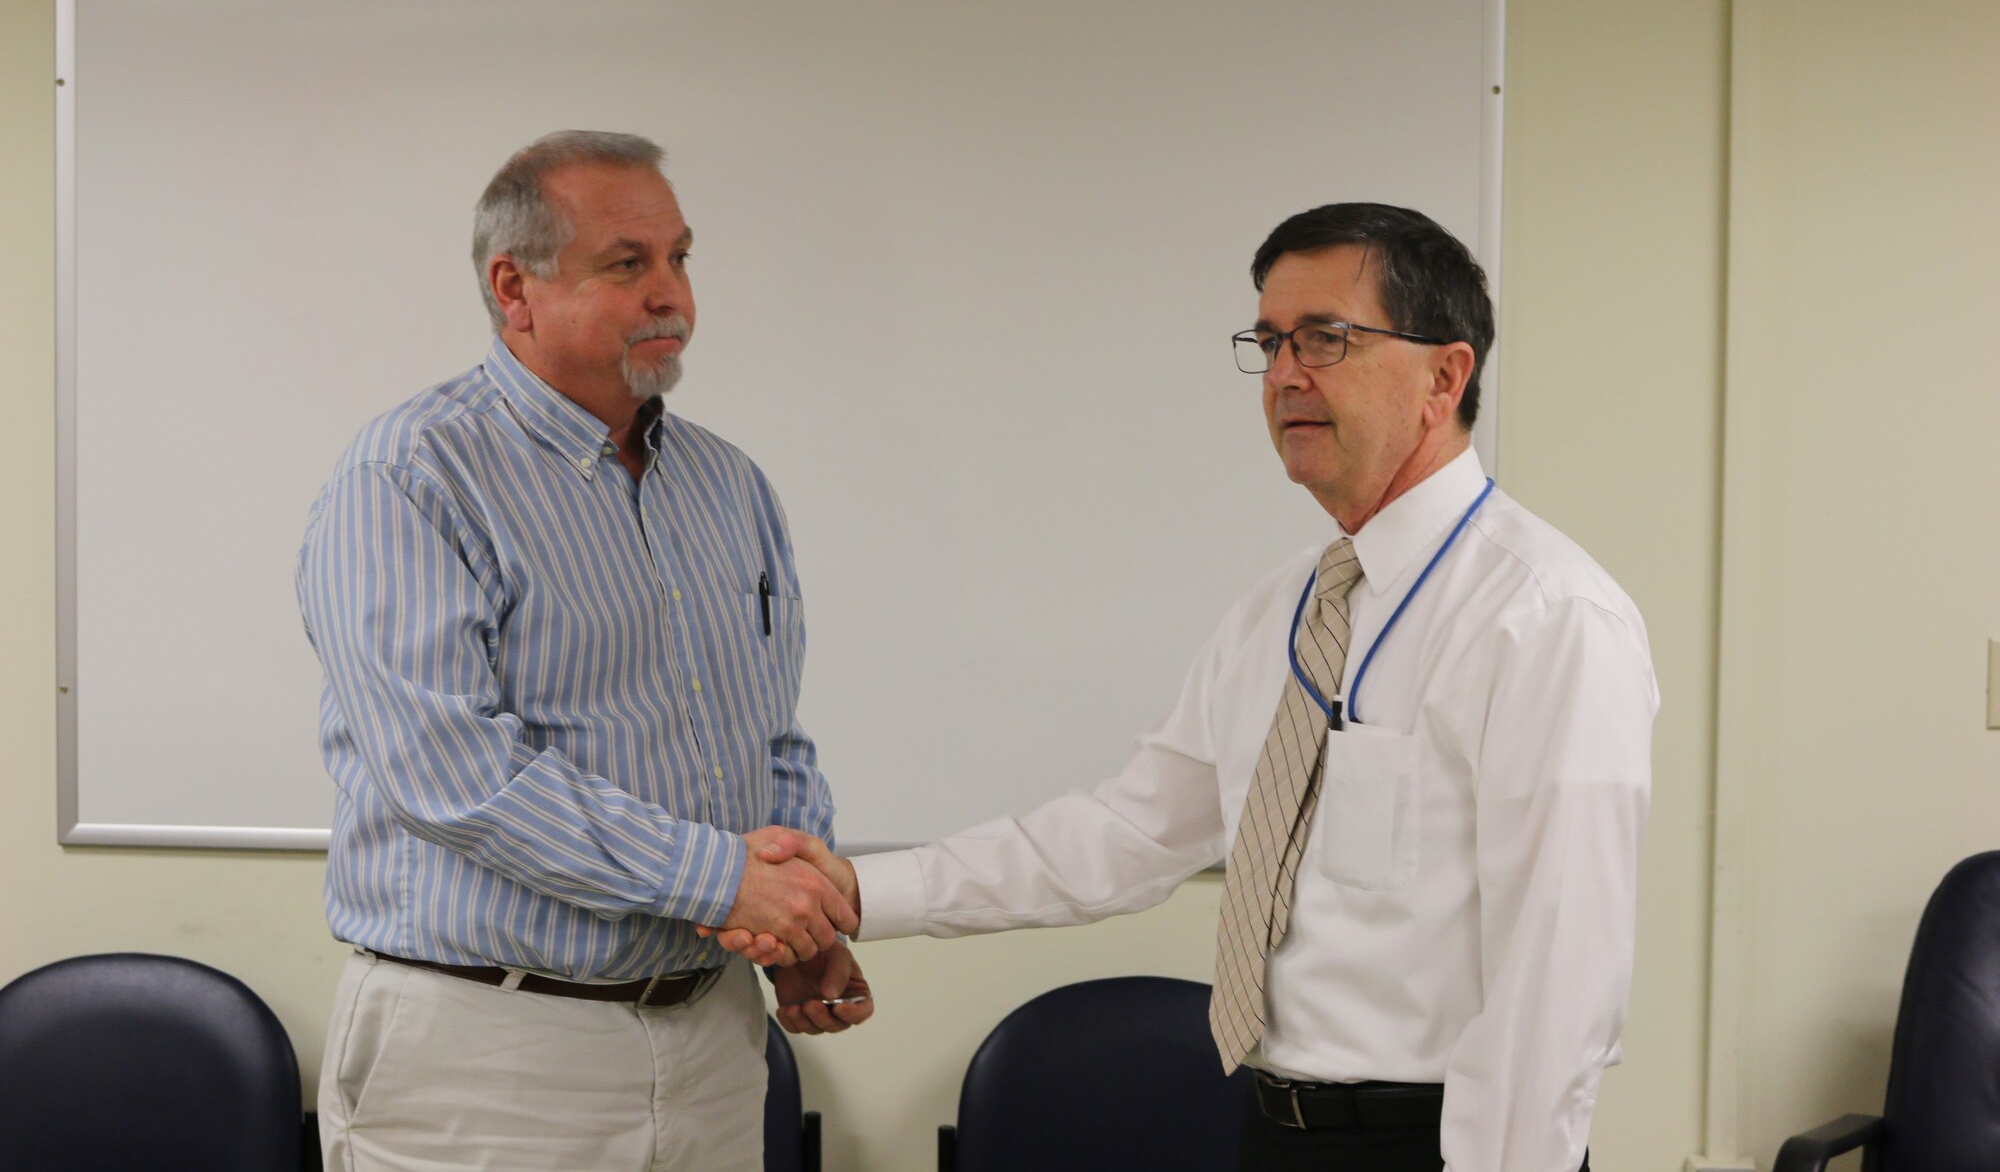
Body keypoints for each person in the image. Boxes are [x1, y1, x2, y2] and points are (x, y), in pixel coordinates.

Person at [716, 203, 1656, 1171]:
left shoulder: (1544, 616)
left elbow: (1558, 981)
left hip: (1445, 1144)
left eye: (1325, 339)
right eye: (1269, 341)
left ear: (1442, 374)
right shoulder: (1282, 611)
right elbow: (1123, 836)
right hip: (1268, 1131)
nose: (1285, 373)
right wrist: (856, 888)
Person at [297, 130, 872, 1172]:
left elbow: (767, 736)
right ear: (513, 286)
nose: (673, 297)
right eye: (628, 263)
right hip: (492, 1051)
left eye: (680, 259)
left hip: (711, 1036)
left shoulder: (728, 485)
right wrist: (722, 883)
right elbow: (451, 772)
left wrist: (800, 919)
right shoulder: (410, 476)